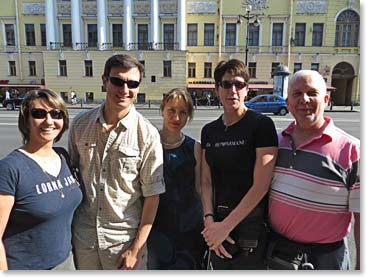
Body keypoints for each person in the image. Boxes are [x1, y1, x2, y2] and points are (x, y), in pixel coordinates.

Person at [68, 54, 165, 270]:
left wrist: (136, 248)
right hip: (85, 239)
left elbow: (152, 196)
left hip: (124, 243)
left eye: (132, 83)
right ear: (105, 81)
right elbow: (71, 178)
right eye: (117, 81)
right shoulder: (80, 125)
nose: (124, 89)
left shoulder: (147, 134)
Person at [267, 70, 360, 270]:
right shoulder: (274, 143)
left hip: (325, 260)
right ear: (287, 102)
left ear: (326, 99)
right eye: (297, 94)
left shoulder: (353, 150)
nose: (304, 99)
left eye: (312, 93)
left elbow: (362, 217)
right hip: (277, 254)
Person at [200, 59, 278, 269]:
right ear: (217, 89)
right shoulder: (209, 130)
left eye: (239, 84)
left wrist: (226, 226)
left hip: (249, 228)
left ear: (247, 89)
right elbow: (206, 181)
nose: (232, 90)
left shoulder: (261, 125)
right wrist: (209, 220)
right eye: (226, 84)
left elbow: (261, 185)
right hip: (216, 225)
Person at [0, 89, 82, 270]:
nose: (49, 121)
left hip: (66, 262)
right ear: (26, 121)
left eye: (56, 113)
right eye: (39, 114)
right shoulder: (10, 168)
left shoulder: (64, 157)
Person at [147, 88, 206, 269]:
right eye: (172, 110)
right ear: (163, 109)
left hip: (189, 227)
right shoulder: (149, 143)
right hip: (156, 227)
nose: (177, 118)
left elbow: (200, 187)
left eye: (183, 112)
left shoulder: (194, 147)